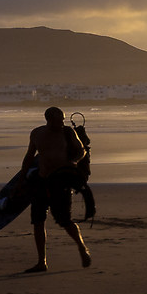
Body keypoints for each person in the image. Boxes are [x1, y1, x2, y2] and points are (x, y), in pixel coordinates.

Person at [22, 106, 93, 273]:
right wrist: (21, 179)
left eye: (63, 119)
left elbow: (81, 150)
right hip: (41, 180)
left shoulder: (68, 132)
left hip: (61, 182)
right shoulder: (37, 134)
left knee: (65, 221)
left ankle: (82, 247)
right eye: (59, 120)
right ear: (49, 120)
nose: (62, 122)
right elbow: (29, 156)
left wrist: (74, 161)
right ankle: (42, 261)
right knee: (38, 221)